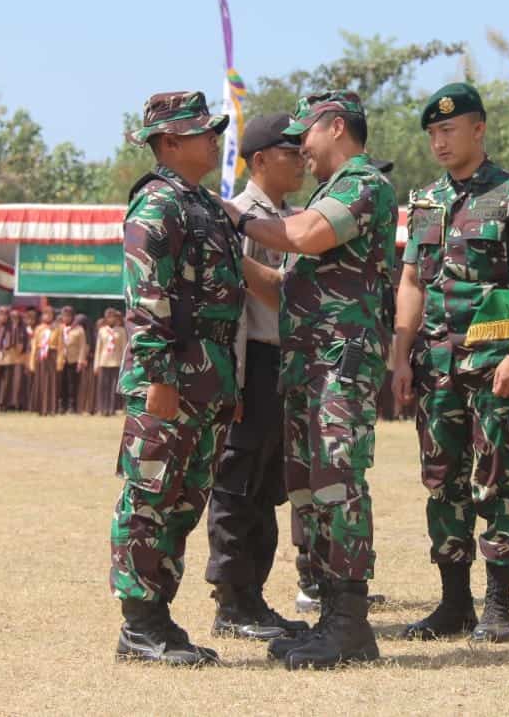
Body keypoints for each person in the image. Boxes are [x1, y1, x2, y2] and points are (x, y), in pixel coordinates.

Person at [231, 90, 397, 669]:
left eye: (306, 132)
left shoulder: (363, 185)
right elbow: (280, 284)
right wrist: (231, 254)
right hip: (309, 367)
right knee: (309, 492)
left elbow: (301, 238)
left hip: (340, 366)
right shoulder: (327, 194)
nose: (301, 145)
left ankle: (351, 624)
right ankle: (331, 617)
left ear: (335, 126)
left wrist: (234, 214)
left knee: (337, 484)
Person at [388, 82, 509, 643]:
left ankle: (498, 607)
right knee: (441, 480)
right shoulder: (426, 201)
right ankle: (453, 604)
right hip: (435, 361)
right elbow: (411, 280)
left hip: (493, 359)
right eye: (432, 132)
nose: (439, 141)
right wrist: (400, 354)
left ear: (478, 129)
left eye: (449, 130)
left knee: (497, 479)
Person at [110, 90, 244, 667]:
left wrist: (226, 384)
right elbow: (146, 299)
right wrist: (160, 376)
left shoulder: (206, 206)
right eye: (201, 132)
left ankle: (158, 617)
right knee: (149, 498)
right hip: (167, 376)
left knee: (186, 499)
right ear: (168, 143)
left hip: (207, 375)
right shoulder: (157, 206)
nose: (213, 138)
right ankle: (139, 623)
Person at [204, 113, 313, 643]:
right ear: (261, 159)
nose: (301, 160)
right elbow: (245, 306)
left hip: (282, 365)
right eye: (291, 152)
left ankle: (254, 599)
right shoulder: (240, 217)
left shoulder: (288, 218)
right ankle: (231, 601)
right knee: (236, 485)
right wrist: (238, 384)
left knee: (268, 489)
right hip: (254, 364)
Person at [29, 307, 61, 416]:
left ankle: (51, 408)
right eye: (45, 314)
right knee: (41, 381)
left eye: (49, 314)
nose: (47, 317)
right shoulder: (39, 329)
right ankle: (41, 408)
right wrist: (32, 362)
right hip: (41, 356)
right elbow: (34, 346)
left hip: (52, 356)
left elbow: (61, 346)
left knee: (51, 382)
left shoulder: (57, 328)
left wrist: (60, 361)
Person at [95, 309, 126, 416]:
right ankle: (103, 408)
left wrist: (124, 364)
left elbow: (124, 348)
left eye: (112, 317)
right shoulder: (102, 331)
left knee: (114, 387)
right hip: (104, 361)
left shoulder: (121, 331)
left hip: (116, 361)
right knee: (103, 386)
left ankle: (111, 409)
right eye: (108, 317)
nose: (110, 319)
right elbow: (98, 348)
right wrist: (96, 364)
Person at [57, 306, 87, 415]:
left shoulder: (79, 329)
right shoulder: (60, 328)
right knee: (61, 383)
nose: (66, 318)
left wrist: (80, 361)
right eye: (64, 316)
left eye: (68, 316)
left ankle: (72, 406)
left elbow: (82, 346)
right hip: (61, 359)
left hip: (73, 360)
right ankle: (61, 406)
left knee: (72, 384)